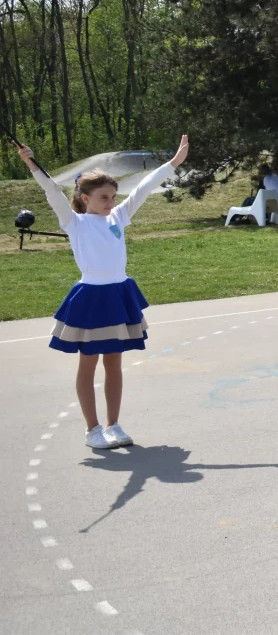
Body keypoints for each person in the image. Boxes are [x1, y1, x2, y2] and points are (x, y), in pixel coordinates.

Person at [19, 135, 190, 450]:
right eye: (104, 197)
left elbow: (144, 188)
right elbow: (51, 191)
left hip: (119, 295)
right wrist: (31, 162)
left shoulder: (119, 217)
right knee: (89, 362)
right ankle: (92, 429)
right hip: (91, 298)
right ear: (85, 198)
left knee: (114, 363)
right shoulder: (75, 222)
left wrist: (172, 164)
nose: (111, 202)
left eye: (113, 196)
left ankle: (114, 424)